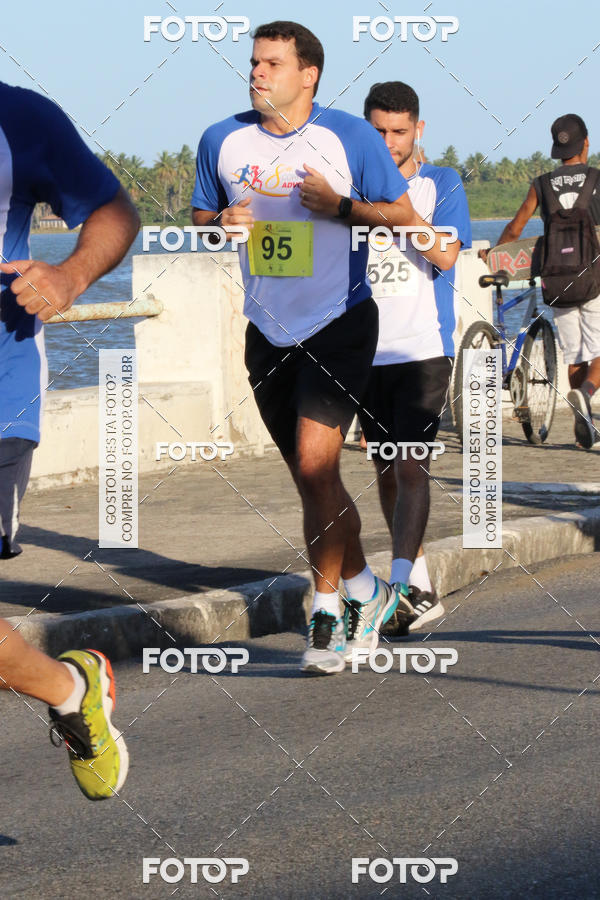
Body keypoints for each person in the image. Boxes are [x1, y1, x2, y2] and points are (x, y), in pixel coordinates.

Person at [191, 22, 417, 674]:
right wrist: (220, 223)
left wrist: (340, 206)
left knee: (318, 468)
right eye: (253, 62)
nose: (257, 73)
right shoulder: (221, 140)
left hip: (340, 322)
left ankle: (325, 616)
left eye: (272, 63)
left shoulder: (348, 137)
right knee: (313, 480)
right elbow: (202, 218)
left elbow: (403, 215)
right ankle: (368, 590)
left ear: (308, 74)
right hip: (267, 333)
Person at [0, 80, 139, 796]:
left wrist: (71, 275)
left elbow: (115, 209)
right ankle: (69, 688)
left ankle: (70, 688)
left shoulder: (20, 119)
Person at [356, 81, 471, 638]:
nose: (388, 142)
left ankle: (400, 585)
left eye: (399, 131)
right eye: (378, 131)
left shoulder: (441, 184)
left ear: (417, 130)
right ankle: (419, 585)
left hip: (424, 348)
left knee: (410, 465)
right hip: (363, 351)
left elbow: (446, 254)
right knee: (384, 470)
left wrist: (398, 213)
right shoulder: (348, 189)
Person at [483, 114, 599, 450]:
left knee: (576, 354)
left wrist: (495, 254)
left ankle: (584, 423)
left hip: (557, 280)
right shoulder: (596, 179)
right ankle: (586, 393)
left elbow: (516, 228)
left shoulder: (542, 184)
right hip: (594, 280)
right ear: (585, 143)